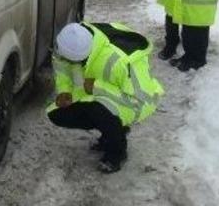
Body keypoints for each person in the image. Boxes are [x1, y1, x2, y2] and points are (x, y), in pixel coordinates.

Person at [47, 22, 163, 173]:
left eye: (71, 61)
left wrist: (97, 87)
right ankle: (109, 131)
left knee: (100, 111)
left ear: (83, 57)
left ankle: (117, 151)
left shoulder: (122, 60)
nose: (66, 61)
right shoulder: (75, 41)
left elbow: (140, 100)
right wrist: (64, 91)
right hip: (96, 94)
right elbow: (62, 66)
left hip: (136, 102)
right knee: (58, 114)